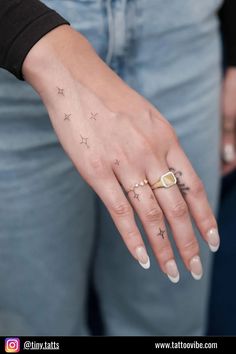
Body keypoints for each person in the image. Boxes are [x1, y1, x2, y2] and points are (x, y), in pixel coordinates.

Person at [0, 0, 234, 336]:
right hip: (17, 66)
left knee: (168, 324)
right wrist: (26, 32)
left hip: (181, 36)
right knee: (33, 328)